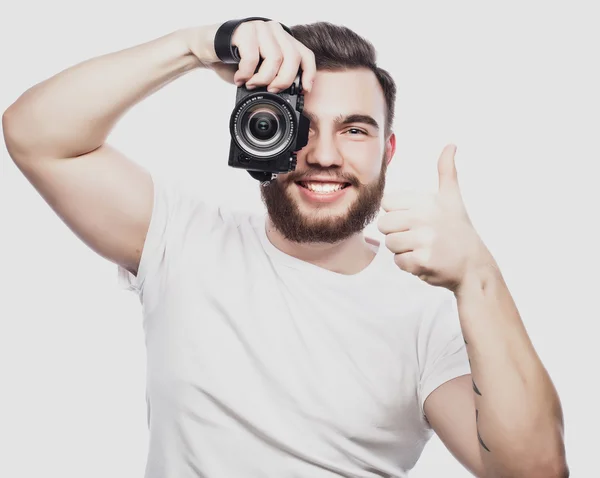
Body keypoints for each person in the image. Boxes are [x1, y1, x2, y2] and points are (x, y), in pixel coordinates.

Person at [3, 18, 568, 478]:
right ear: (257, 133)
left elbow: (536, 472)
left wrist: (479, 278)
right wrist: (197, 46)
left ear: (387, 151)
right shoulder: (184, 240)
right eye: (301, 125)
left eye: (355, 129)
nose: (323, 155)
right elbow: (35, 136)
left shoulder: (428, 309)